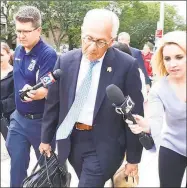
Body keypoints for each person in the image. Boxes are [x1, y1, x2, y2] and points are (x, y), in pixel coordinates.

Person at [39, 9, 144, 187]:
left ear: (111, 41)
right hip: (71, 141)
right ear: (81, 32)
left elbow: (134, 116)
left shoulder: (126, 66)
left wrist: (133, 158)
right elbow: (53, 104)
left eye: (101, 41)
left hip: (105, 145)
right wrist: (46, 138)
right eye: (88, 38)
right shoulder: (65, 61)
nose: (93, 47)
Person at [126, 31, 186, 187]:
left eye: (179, 57)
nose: (172, 64)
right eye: (167, 58)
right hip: (172, 146)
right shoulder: (158, 89)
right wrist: (147, 127)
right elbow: (156, 122)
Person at [5, 6, 57, 187]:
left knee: (48, 171)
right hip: (19, 120)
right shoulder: (18, 50)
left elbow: (47, 89)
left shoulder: (47, 54)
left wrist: (34, 94)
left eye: (26, 31)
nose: (21, 36)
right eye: (18, 30)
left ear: (38, 30)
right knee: (17, 166)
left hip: (41, 123)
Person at [0, 42, 15, 140]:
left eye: (1, 55)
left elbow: (15, 98)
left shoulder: (15, 74)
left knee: (12, 146)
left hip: (7, 117)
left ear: (9, 55)